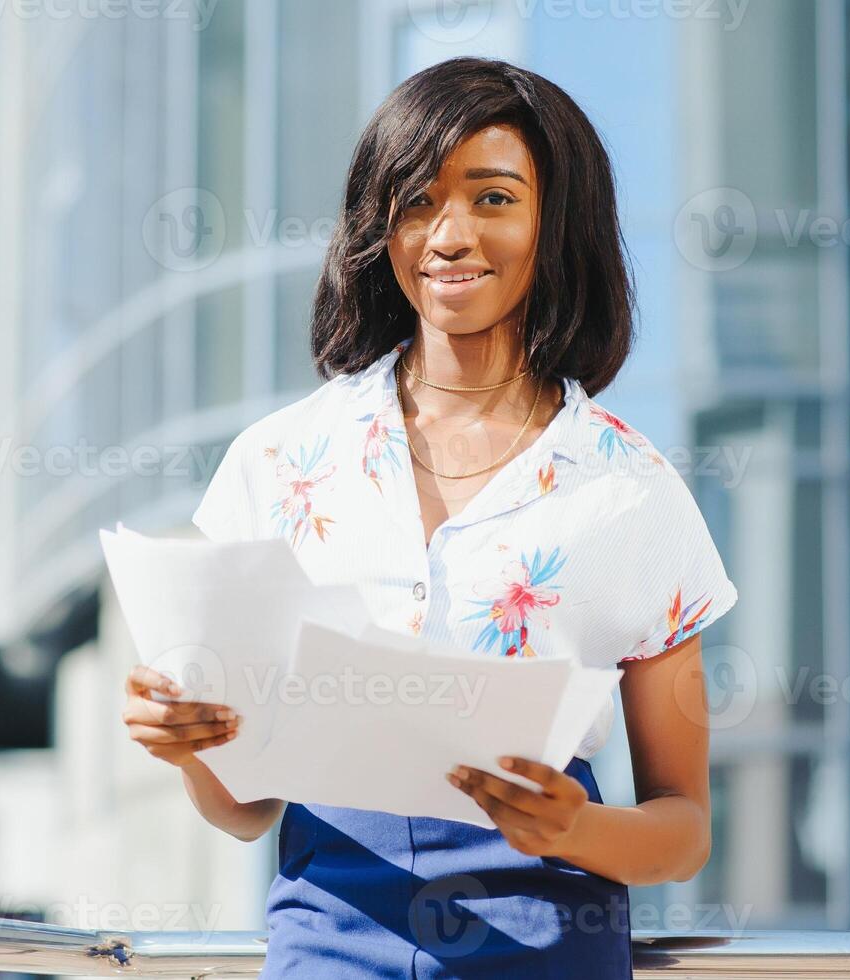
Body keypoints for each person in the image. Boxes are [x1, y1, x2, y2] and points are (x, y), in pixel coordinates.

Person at [121, 55, 738, 978]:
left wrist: (575, 827)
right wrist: (190, 748)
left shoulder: (631, 491)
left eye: (493, 199)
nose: (450, 234)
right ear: (382, 227)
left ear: (553, 224)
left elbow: (682, 829)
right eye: (417, 201)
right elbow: (244, 810)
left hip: (544, 942)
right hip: (329, 935)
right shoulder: (280, 460)